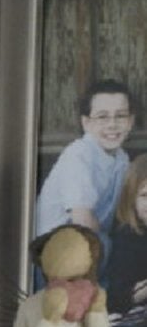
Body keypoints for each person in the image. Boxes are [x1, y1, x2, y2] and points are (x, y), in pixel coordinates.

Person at [35, 79, 135, 254]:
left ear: (130, 121)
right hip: (55, 251)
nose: (112, 124)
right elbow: (82, 220)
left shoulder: (122, 159)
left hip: (91, 243)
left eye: (120, 116)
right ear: (86, 123)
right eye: (102, 117)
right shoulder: (79, 154)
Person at [104, 153, 147, 327]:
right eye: (145, 195)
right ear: (132, 199)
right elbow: (119, 295)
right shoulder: (128, 237)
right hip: (133, 320)